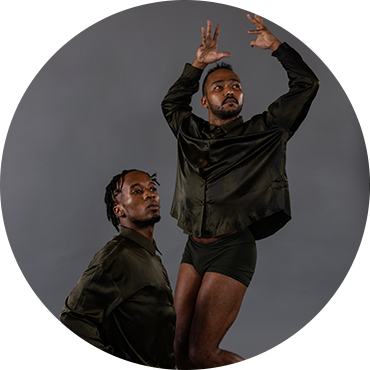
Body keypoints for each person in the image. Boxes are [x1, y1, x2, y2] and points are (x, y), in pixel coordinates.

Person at [161, 4, 319, 370]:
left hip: (232, 248)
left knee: (203, 352)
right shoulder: (190, 131)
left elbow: (306, 85)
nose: (230, 91)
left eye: (236, 87)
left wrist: (277, 46)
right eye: (220, 87)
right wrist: (198, 65)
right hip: (193, 248)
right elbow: (171, 102)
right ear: (205, 101)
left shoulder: (264, 131)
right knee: (178, 350)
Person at [60, 170, 176, 370]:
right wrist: (113, 367)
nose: (150, 194)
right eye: (137, 191)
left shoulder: (147, 254)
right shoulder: (116, 258)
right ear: (119, 210)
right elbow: (73, 316)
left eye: (152, 188)